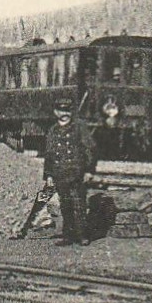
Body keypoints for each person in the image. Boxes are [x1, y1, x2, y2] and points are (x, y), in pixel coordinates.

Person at [43, 97, 98, 245]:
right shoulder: (53, 130)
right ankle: (68, 235)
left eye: (67, 110)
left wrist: (89, 170)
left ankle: (82, 235)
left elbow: (91, 149)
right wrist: (48, 175)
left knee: (79, 204)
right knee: (65, 205)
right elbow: (48, 154)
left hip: (76, 173)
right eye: (61, 110)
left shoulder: (79, 127)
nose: (65, 113)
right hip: (60, 174)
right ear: (56, 112)